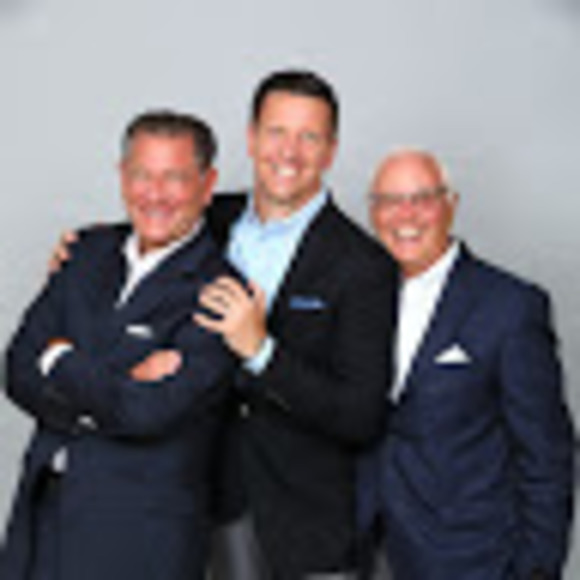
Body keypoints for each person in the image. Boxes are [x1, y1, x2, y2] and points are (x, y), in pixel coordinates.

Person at [46, 70, 399, 580]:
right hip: (186, 502)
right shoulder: (209, 218)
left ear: (331, 151)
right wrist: (82, 248)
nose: (290, 152)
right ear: (251, 138)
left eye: (309, 137)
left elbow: (360, 415)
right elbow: (146, 228)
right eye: (276, 132)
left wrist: (261, 351)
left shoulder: (363, 265)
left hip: (302, 520)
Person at [0, 110, 238, 580]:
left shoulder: (222, 293)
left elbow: (147, 412)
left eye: (174, 178)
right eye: (141, 175)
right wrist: (117, 385)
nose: (155, 194)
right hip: (44, 515)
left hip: (138, 537)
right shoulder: (84, 252)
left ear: (207, 185)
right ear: (122, 176)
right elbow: (17, 368)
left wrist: (59, 357)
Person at [361, 149, 575, 579]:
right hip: (368, 550)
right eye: (389, 201)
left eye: (422, 198)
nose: (405, 215)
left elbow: (547, 454)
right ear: (373, 212)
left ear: (450, 204)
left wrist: (536, 569)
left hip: (473, 557)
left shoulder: (509, 306)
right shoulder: (358, 296)